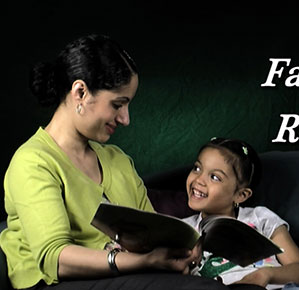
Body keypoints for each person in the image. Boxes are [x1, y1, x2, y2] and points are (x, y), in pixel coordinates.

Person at [0, 34, 232, 290]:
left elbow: (154, 232)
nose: (125, 119)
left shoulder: (117, 160)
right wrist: (143, 261)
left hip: (126, 276)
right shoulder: (33, 161)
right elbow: (55, 259)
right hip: (58, 283)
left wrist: (181, 248)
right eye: (118, 104)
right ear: (80, 92)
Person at [182, 138, 299, 290]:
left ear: (241, 195)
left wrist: (266, 274)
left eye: (215, 177)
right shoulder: (183, 230)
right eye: (197, 168)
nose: (199, 180)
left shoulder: (260, 218)